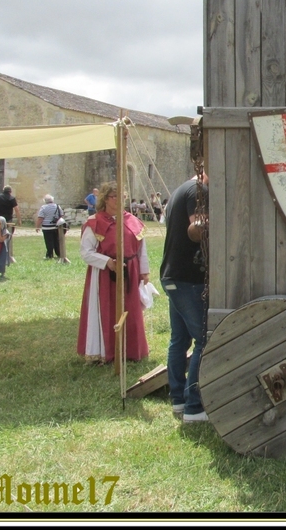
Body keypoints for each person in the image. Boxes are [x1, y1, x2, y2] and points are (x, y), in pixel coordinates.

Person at [77, 182, 150, 364]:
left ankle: (131, 352)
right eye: (114, 196)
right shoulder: (95, 223)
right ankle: (105, 352)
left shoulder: (132, 221)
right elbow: (86, 252)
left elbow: (141, 249)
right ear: (105, 199)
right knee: (106, 310)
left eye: (121, 196)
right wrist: (107, 262)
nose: (118, 200)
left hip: (130, 272)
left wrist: (144, 271)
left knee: (130, 311)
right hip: (104, 276)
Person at [161, 172, 209, 423]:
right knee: (204, 340)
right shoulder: (197, 191)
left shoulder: (182, 190)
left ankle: (178, 400)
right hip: (186, 279)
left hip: (173, 276)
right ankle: (193, 407)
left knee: (179, 340)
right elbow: (197, 227)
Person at [0, 185, 21, 263]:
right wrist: (19, 220)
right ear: (10, 191)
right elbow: (16, 209)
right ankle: (8, 255)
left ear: (3, 190)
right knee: (8, 237)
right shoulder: (11, 198)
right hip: (8, 220)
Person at [34, 194, 63, 259]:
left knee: (49, 241)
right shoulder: (58, 206)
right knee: (56, 241)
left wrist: (37, 226)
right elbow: (61, 215)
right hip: (56, 226)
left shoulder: (43, 207)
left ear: (45, 201)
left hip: (47, 227)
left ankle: (49, 255)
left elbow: (40, 218)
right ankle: (59, 253)